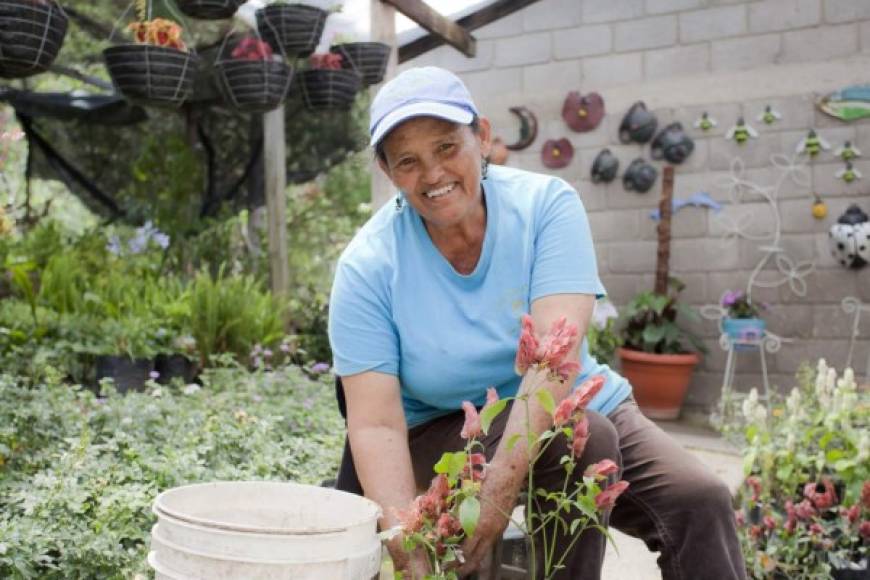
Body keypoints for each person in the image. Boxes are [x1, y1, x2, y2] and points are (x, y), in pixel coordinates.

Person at [327, 66, 745, 579]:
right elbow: (374, 424)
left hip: (567, 400)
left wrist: (493, 508)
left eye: (445, 147)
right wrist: (407, 550)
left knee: (698, 501)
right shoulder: (368, 265)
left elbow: (555, 366)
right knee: (586, 437)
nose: (432, 173)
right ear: (389, 173)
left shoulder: (546, 207)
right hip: (441, 429)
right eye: (408, 161)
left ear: (481, 137)